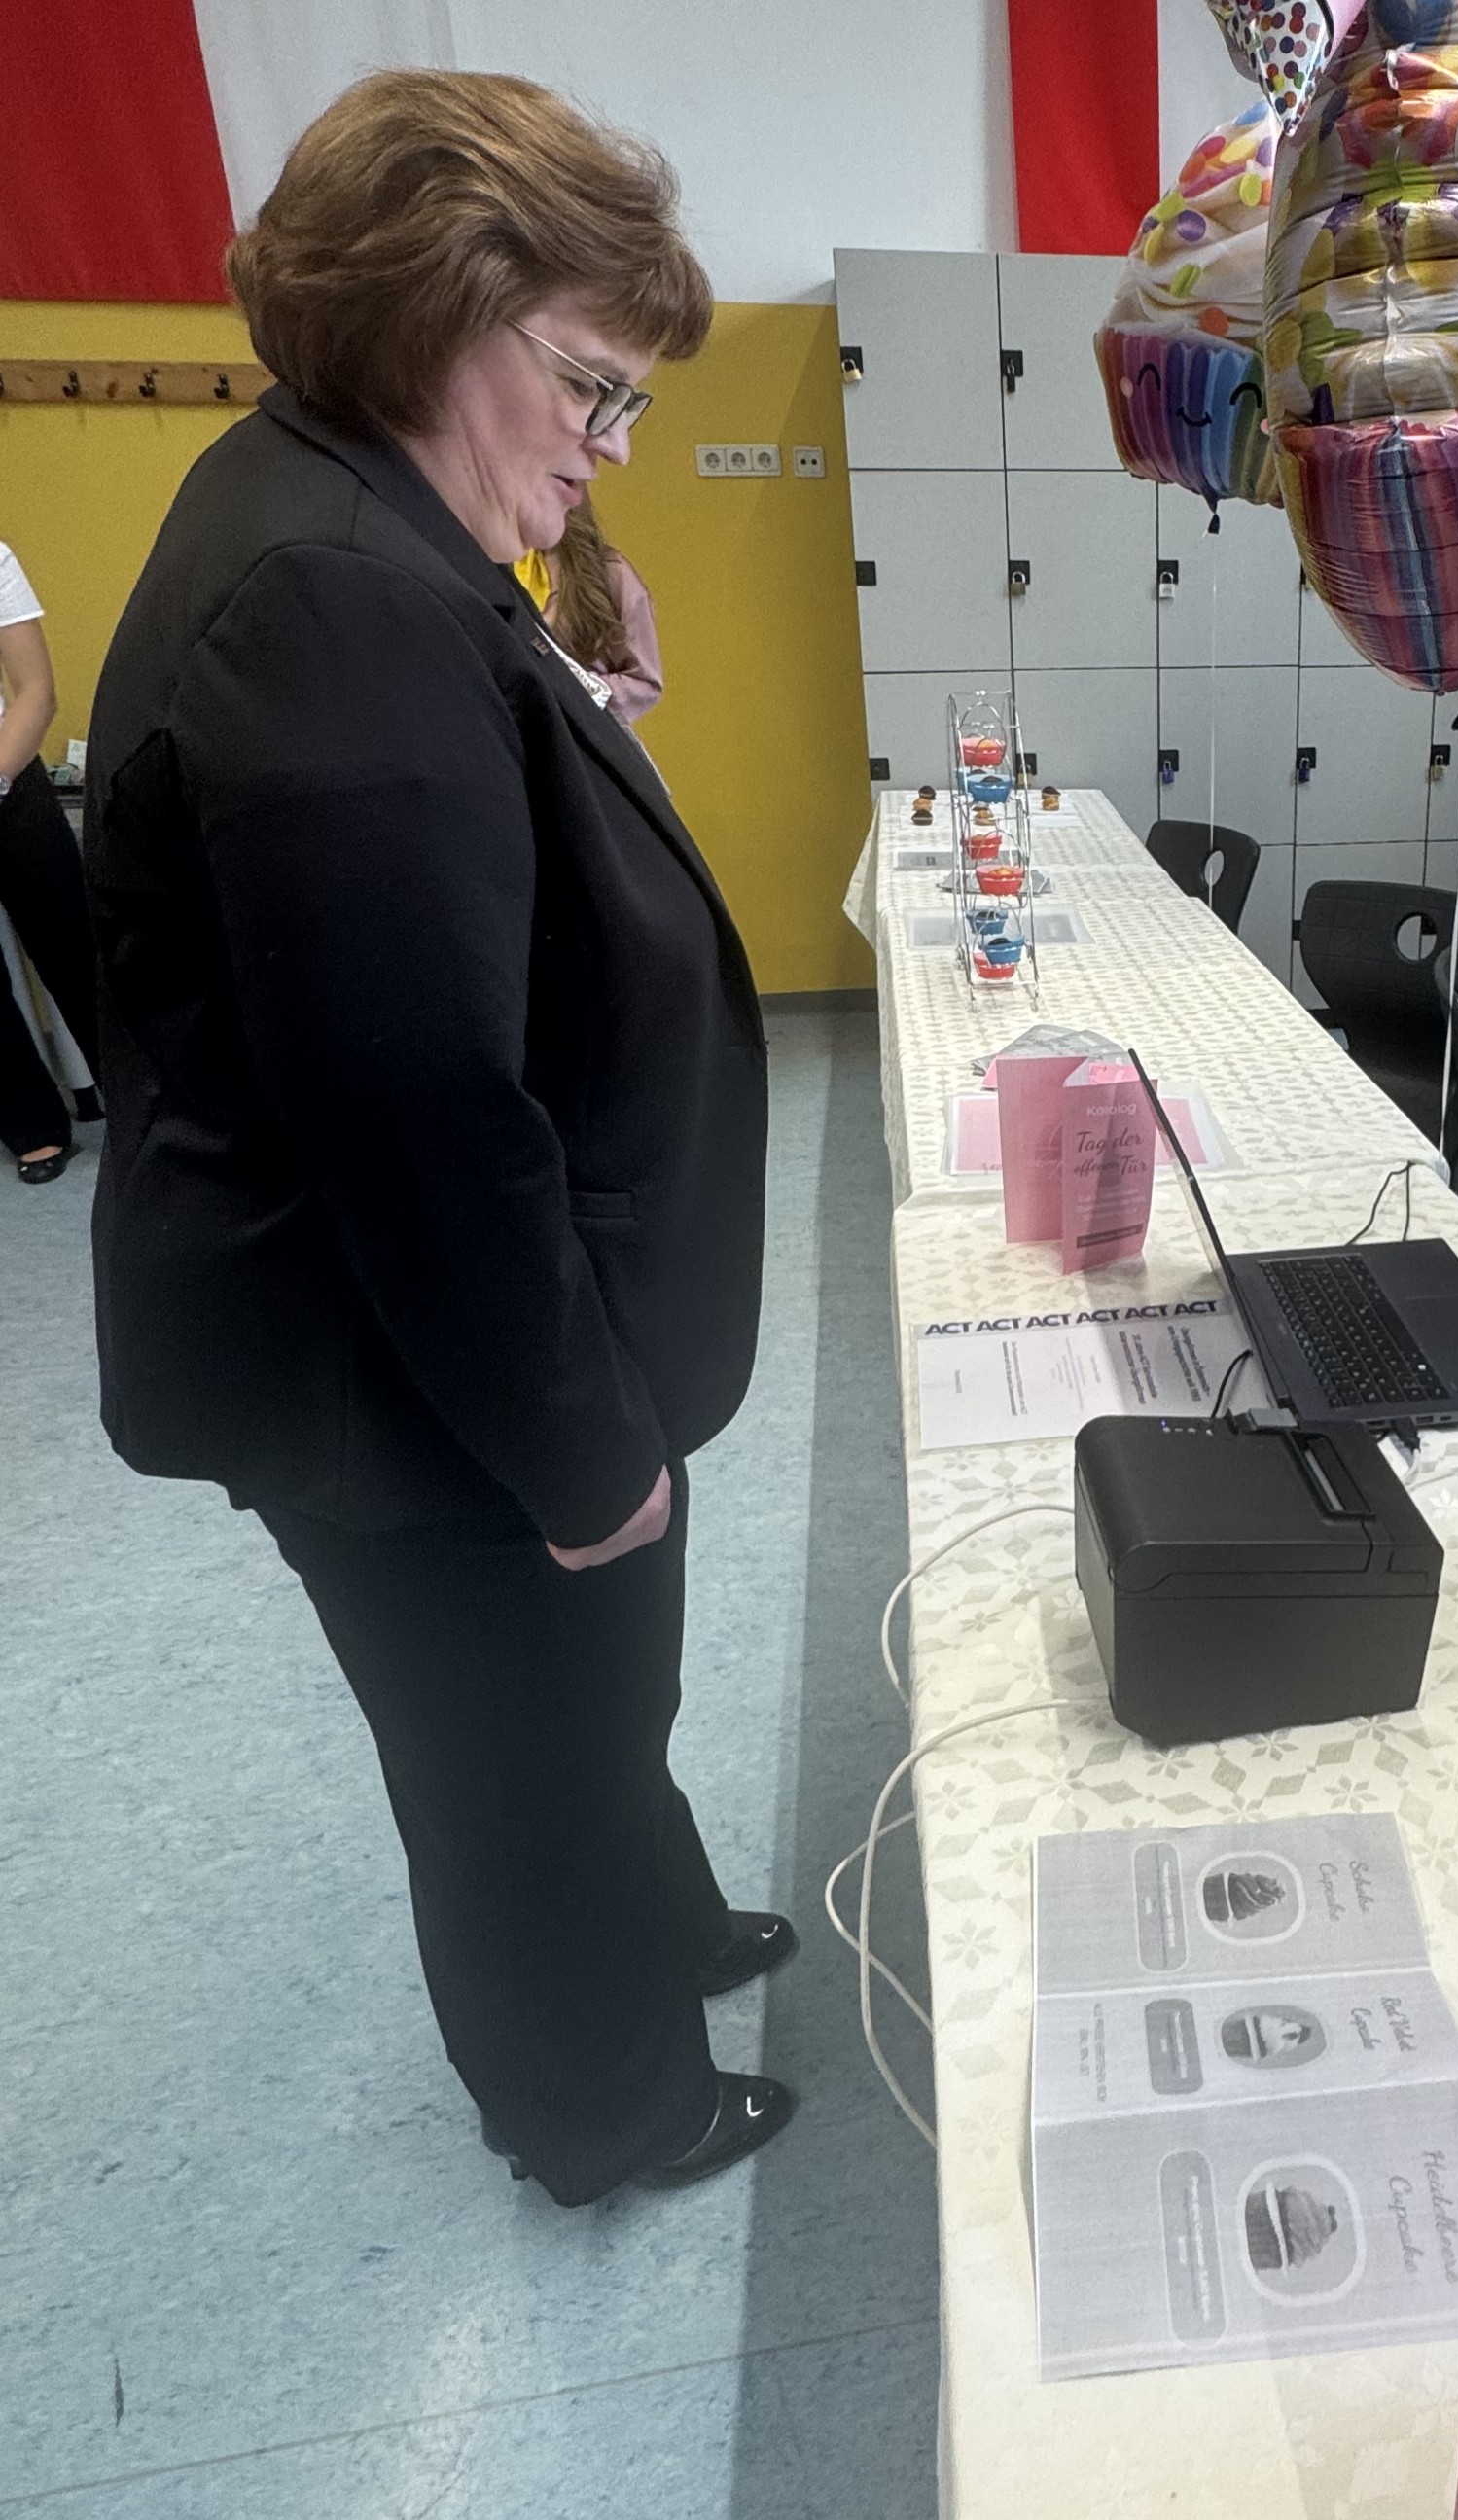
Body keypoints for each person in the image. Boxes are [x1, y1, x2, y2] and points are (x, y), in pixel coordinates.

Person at [85, 70, 794, 2205]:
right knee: (510, 1765)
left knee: (590, 1706)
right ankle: (608, 2108)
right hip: (440, 1394)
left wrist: (594, 718)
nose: (600, 448)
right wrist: (582, 1449)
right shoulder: (333, 596)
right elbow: (415, 1113)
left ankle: (656, 1927)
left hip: (480, 1352)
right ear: (432, 300)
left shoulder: (360, 525)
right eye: (586, 383)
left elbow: (440, 874)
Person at [0, 541, 104, 1185]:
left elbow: (36, 692)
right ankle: (31, 1124)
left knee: (79, 948)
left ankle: (155, 1102)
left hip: (8, 777)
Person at [516, 493, 665, 723]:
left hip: (578, 736)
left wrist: (582, 688)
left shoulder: (608, 574)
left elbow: (645, 683)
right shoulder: (483, 565)